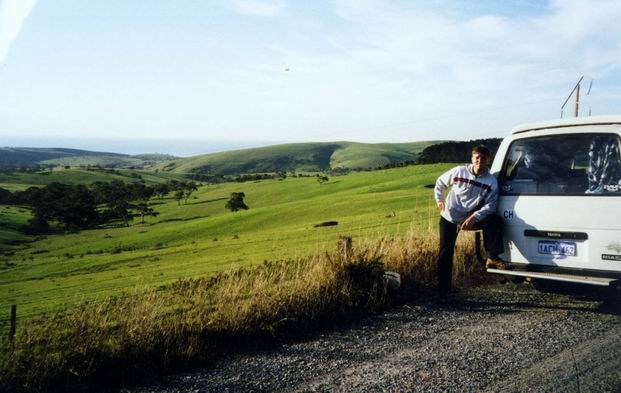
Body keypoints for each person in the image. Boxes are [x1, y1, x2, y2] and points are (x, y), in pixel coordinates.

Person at [434, 145, 511, 298]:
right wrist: (440, 199)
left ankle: (493, 257)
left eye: (483, 158)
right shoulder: (459, 171)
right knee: (445, 252)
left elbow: (491, 205)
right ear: (472, 158)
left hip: (471, 218)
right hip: (450, 217)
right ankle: (443, 290)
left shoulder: (491, 182)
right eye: (477, 158)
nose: (480, 161)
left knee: (494, 220)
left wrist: (475, 216)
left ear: (488, 160)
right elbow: (440, 183)